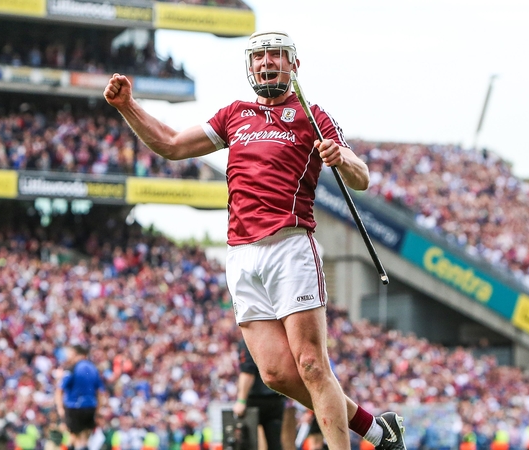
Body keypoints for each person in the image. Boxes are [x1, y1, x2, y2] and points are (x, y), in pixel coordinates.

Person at [104, 30, 406, 450]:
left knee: (312, 365)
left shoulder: (311, 115)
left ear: (293, 66)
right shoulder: (234, 115)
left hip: (290, 247)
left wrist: (342, 158)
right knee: (277, 375)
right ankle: (376, 430)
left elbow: (362, 176)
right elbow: (171, 145)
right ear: (250, 66)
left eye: (277, 56)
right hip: (241, 255)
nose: (267, 63)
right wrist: (128, 107)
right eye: (260, 57)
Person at [233, 339, 286, 450]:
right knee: (275, 443)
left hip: (255, 400)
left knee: (248, 444)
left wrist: (241, 401)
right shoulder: (275, 338)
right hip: (276, 399)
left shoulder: (249, 340)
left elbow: (248, 372)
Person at [55, 343, 106, 450]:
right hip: (90, 407)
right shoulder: (94, 369)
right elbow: (100, 392)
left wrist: (60, 408)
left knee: (74, 436)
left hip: (74, 407)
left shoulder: (72, 368)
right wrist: (98, 409)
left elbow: (60, 389)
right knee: (84, 437)